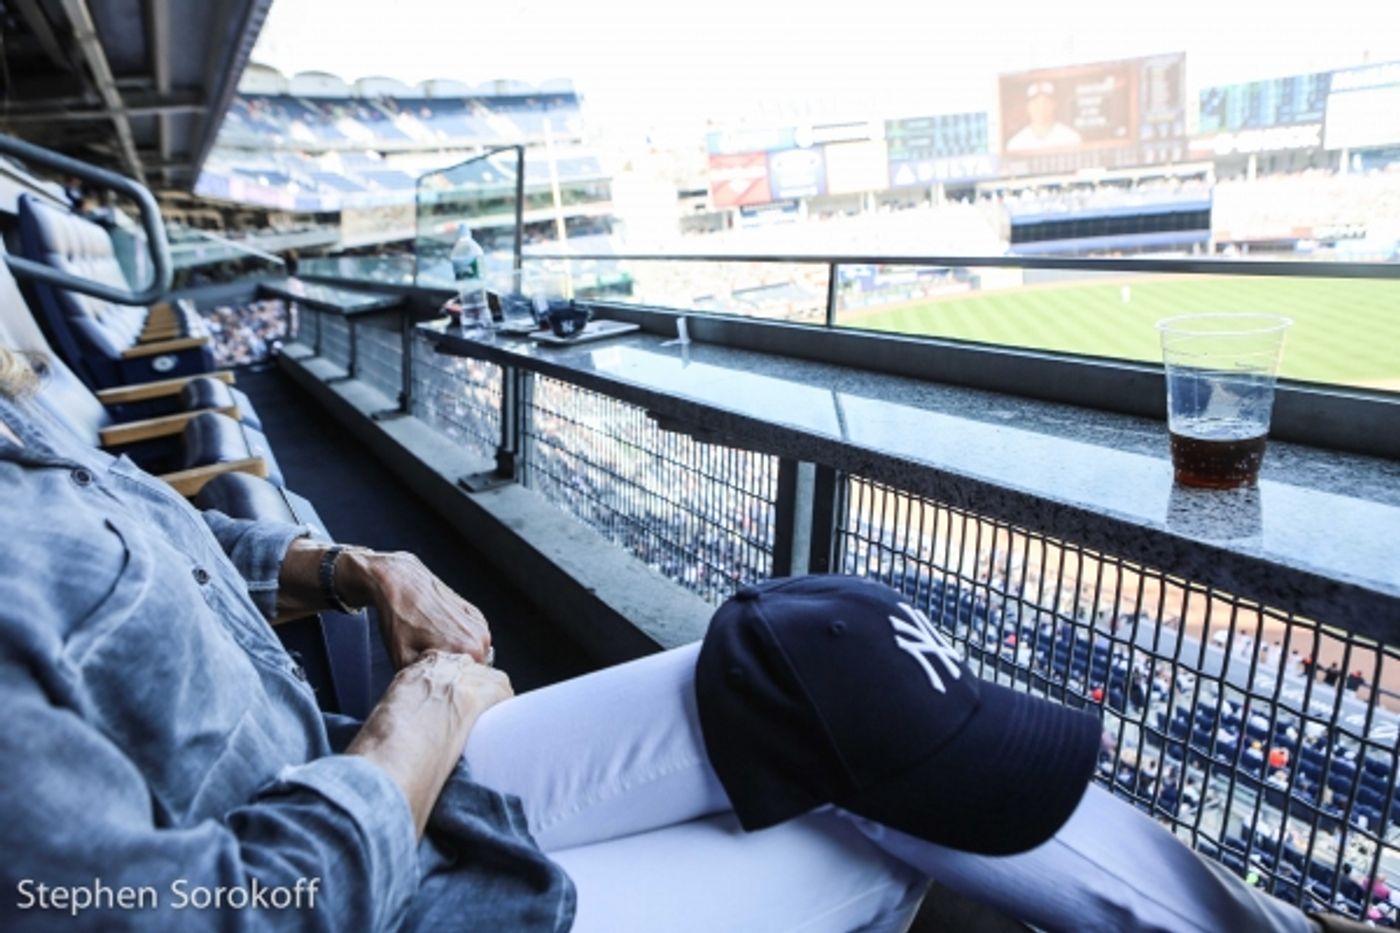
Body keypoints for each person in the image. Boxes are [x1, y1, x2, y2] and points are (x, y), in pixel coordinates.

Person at [0, 346, 1335, 932]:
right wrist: (412, 731)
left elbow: (161, 548)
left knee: (833, 672)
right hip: (377, 884)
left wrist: (345, 561)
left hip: (351, 775)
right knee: (853, 815)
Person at [1005, 81, 1083, 152]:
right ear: (1028, 107)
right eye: (1036, 103)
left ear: (1054, 105)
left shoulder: (1071, 138)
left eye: (1045, 102)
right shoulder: (1016, 144)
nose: (1041, 108)